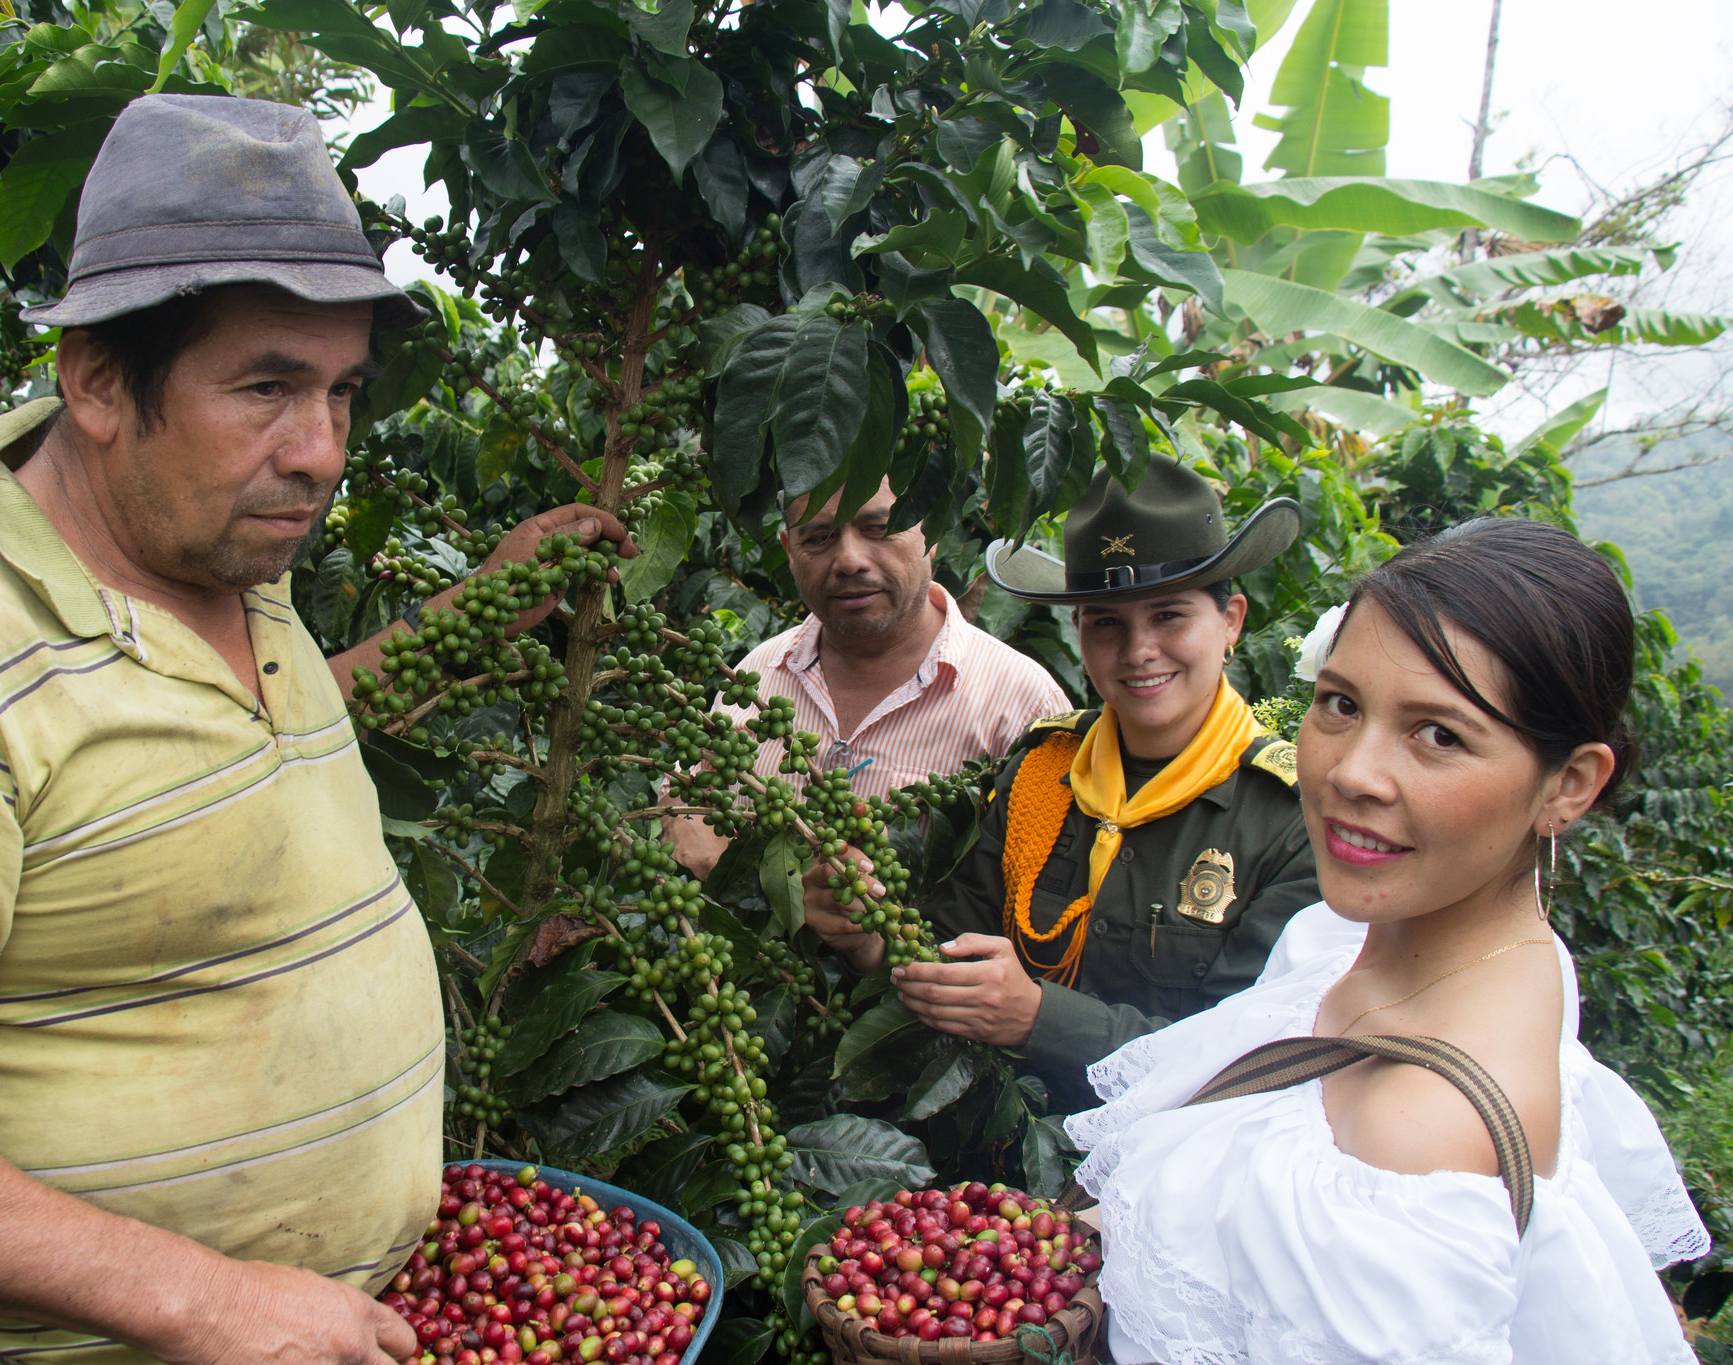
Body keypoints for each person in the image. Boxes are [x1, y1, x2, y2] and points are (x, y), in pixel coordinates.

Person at [0, 94, 629, 1365]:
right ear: (95, 380)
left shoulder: (222, 552)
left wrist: (470, 614)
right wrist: (202, 1299)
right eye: (266, 387)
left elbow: (237, 754)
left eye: (342, 392)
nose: (319, 451)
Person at [1065, 518, 1708, 1364]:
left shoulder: (1414, 1144)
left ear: (1570, 784)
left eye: (1439, 734)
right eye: (1341, 704)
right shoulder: (1387, 940)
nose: (1351, 773)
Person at [804, 461, 1319, 1107]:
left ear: (1232, 621)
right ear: (1078, 631)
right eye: (1106, 622)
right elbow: (950, 942)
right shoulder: (1042, 770)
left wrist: (1042, 1018)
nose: (1138, 650)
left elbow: (1259, 1056)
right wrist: (870, 938)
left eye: (1169, 616)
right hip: (999, 1143)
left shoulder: (1295, 819)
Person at [668, 478, 1068, 877]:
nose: (850, 561)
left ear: (931, 533)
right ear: (790, 550)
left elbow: (1045, 891)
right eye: (819, 537)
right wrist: (699, 838)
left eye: (879, 528)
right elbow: (683, 790)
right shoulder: (757, 673)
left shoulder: (1025, 705)